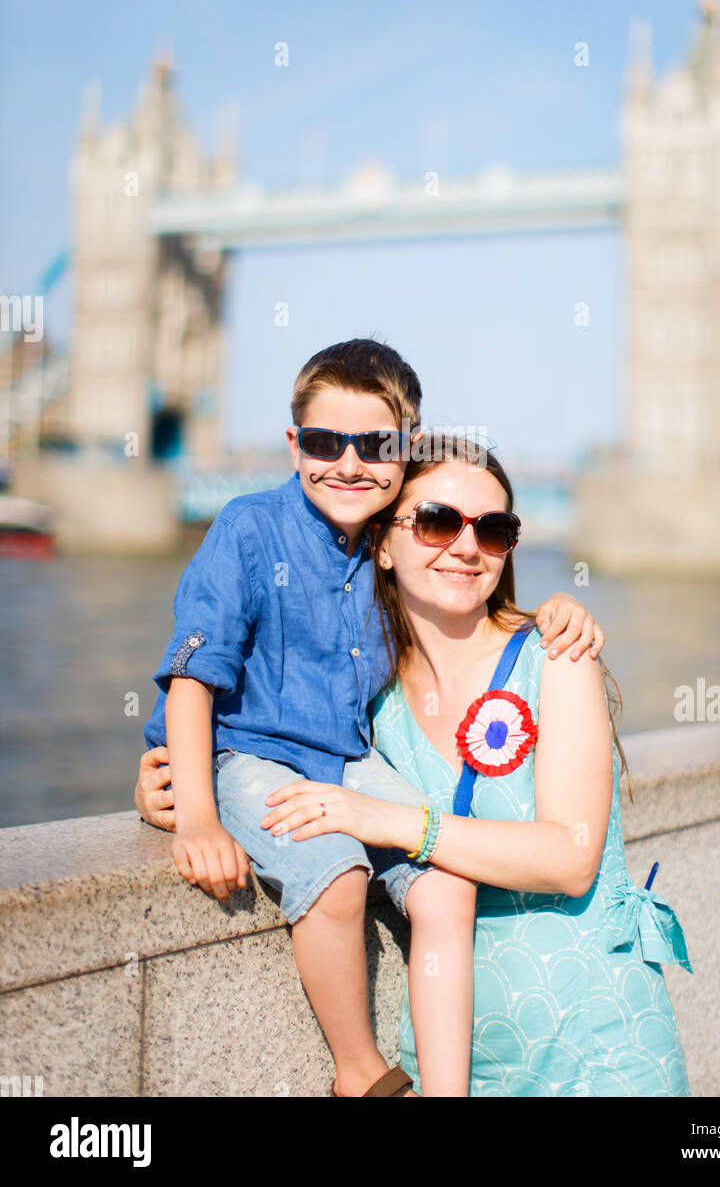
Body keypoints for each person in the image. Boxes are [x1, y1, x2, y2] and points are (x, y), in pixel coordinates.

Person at [139, 337, 604, 1098]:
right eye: (325, 441)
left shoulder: (392, 538)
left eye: (376, 445)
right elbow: (194, 673)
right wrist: (196, 813)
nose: (349, 463)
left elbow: (481, 599)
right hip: (245, 754)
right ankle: (361, 1073)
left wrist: (555, 608)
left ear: (406, 448)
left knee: (448, 884)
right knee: (335, 872)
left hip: (345, 758)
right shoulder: (248, 530)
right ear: (294, 445)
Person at [243, 437, 694, 1095]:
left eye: (494, 529)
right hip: (452, 1067)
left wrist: (392, 821)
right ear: (384, 543)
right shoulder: (364, 695)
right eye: (436, 521)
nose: (464, 546)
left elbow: (569, 858)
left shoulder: (557, 656)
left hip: (599, 1054)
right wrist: (174, 786)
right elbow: (258, 742)